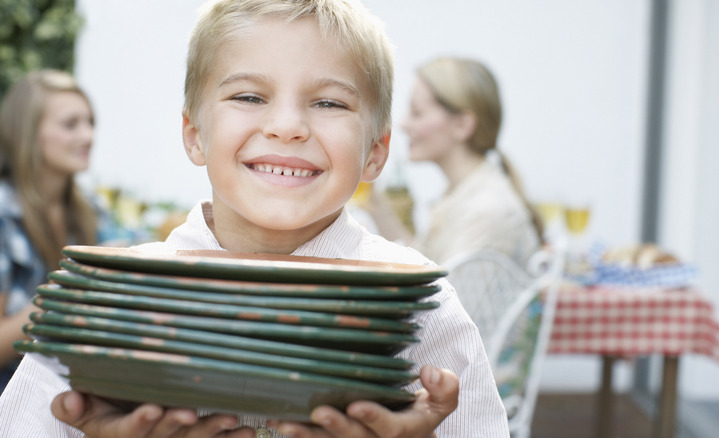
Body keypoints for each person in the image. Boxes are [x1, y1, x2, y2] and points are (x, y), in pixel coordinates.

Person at [0, 1, 510, 437]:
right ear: (194, 134)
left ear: (375, 153)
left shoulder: (422, 307)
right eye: (248, 96)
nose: (286, 126)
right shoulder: (107, 299)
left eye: (329, 102)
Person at [366, 57, 544, 267]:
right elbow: (423, 262)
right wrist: (373, 203)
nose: (404, 124)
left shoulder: (484, 210)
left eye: (417, 113)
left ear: (462, 125)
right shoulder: (465, 193)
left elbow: (440, 292)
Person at [0, 69, 105, 392]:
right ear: (29, 133)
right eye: (70, 124)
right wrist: (64, 298)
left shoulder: (90, 209)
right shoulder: (4, 214)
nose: (88, 136)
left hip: (69, 395)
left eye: (90, 123)